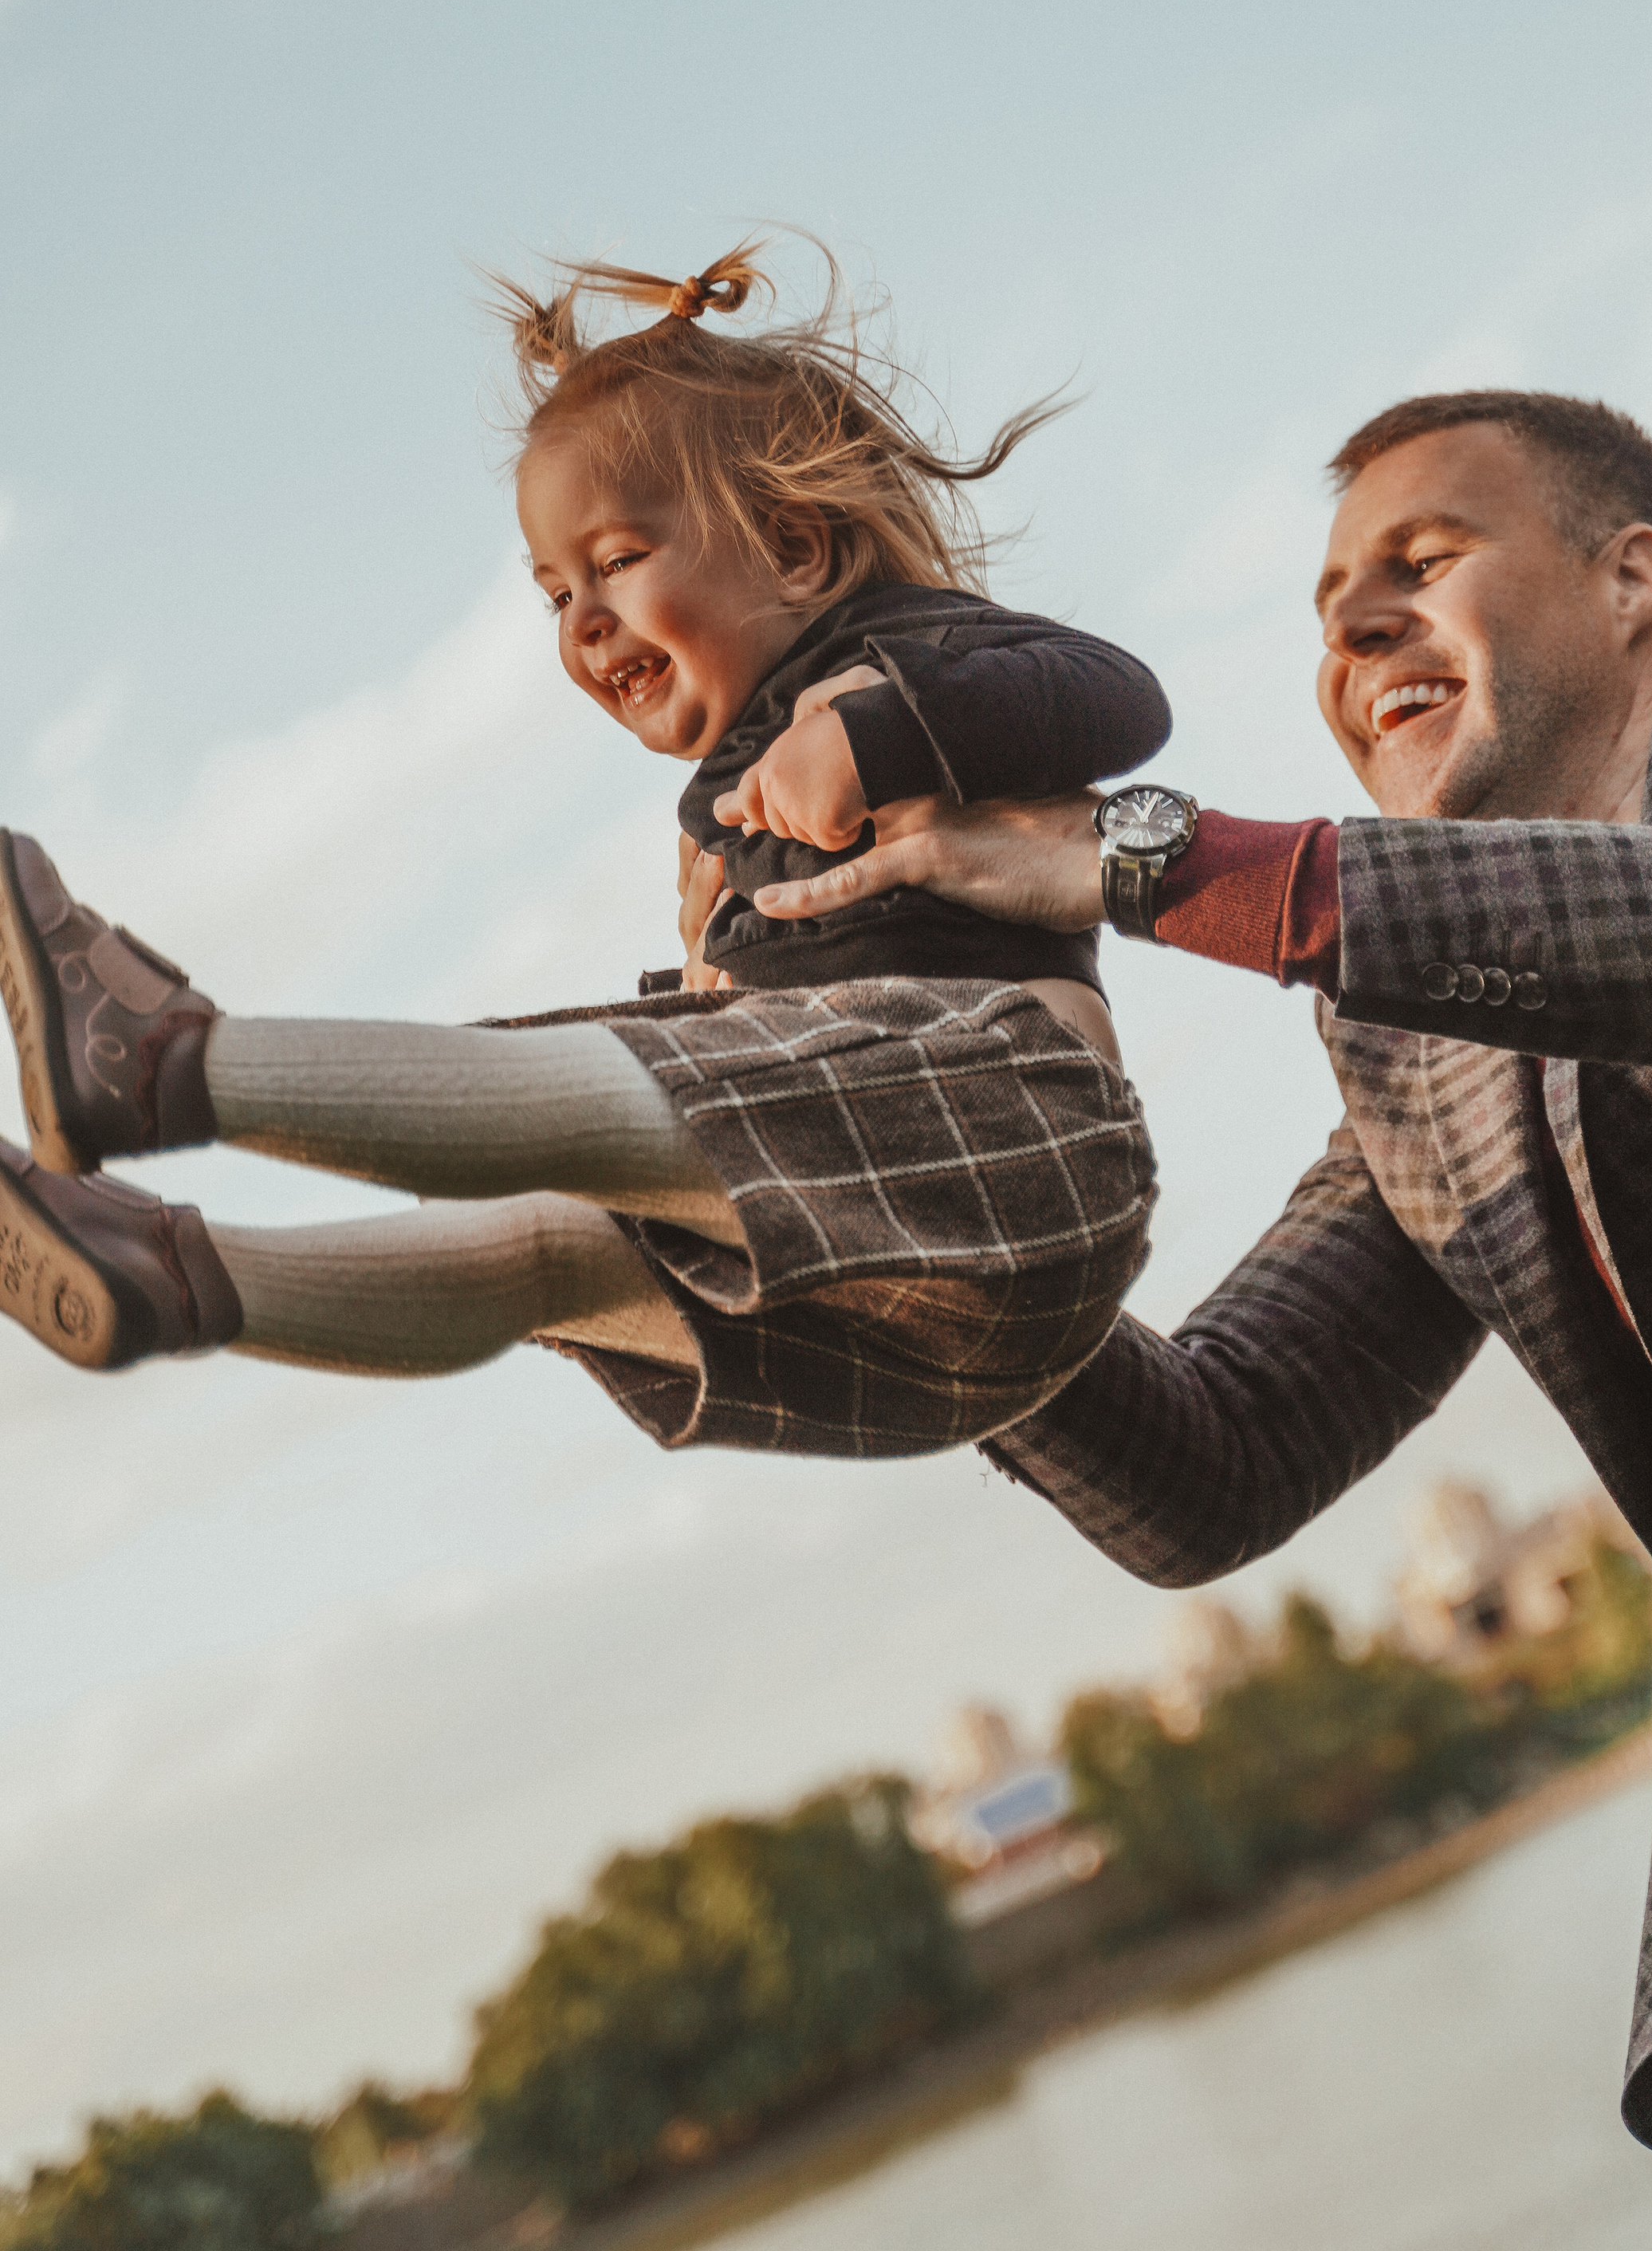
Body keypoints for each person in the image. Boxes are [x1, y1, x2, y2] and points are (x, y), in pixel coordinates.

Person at [741, 388, 1652, 2251]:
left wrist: (1136, 856)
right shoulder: (1417, 1038)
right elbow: (1215, 1457)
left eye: (1417, 566)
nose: (1349, 637)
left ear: (1631, 581)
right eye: (1326, 608)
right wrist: (887, 1228)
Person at [0, 248, 1169, 1457]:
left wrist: (877, 731)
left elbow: (1121, 698)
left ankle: (161, 1065)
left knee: (597, 1089)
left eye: (614, 562)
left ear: (797, 551)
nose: (585, 622)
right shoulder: (720, 814)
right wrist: (723, 989)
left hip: (1032, 1151)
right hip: (892, 1328)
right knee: (549, 1246)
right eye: (555, 594)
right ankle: (174, 1275)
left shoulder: (892, 646)